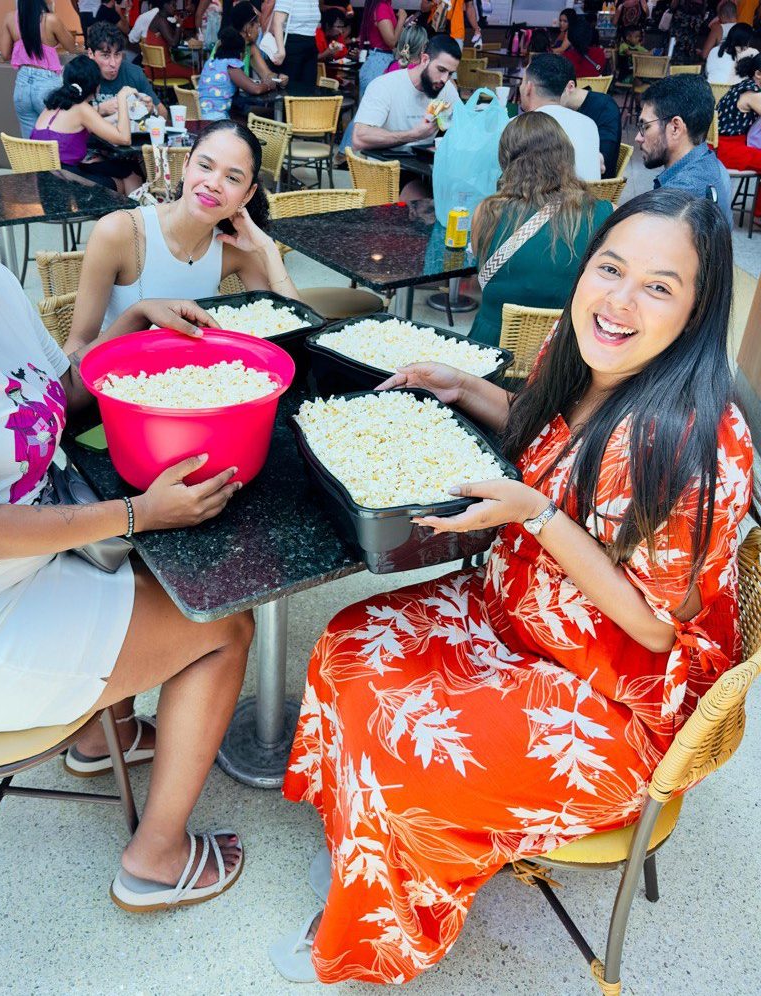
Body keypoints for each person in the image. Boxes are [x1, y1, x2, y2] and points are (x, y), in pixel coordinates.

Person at [270, 187, 752, 985]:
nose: (620, 301)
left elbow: (657, 629)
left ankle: (373, 922)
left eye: (660, 287)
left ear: (699, 311)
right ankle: (372, 857)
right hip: (518, 609)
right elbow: (540, 427)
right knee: (349, 643)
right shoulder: (584, 341)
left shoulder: (693, 440)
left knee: (405, 752)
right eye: (610, 268)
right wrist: (461, 387)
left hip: (615, 693)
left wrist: (535, 515)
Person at [0, 114, 254, 912]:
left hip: (8, 576)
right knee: (225, 624)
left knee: (150, 564)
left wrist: (126, 330)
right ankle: (156, 858)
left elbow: (46, 406)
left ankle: (101, 735)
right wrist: (138, 514)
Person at [71, 119, 300, 338]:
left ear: (248, 194)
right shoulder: (119, 231)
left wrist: (268, 248)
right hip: (122, 374)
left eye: (232, 178)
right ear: (186, 164)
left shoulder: (231, 246)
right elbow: (77, 348)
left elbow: (294, 324)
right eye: (205, 166)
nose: (213, 184)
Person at [468, 113, 612, 346]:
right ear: (566, 156)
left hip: (492, 347)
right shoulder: (605, 213)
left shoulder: (486, 212)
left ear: (506, 158)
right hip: (564, 350)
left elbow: (480, 263)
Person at [350, 32, 463, 198]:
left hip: (425, 170)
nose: (445, 79)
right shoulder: (385, 86)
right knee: (426, 205)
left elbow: (463, 129)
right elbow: (359, 137)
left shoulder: (446, 91)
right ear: (425, 60)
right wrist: (414, 135)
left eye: (450, 74)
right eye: (441, 70)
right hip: (385, 171)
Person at [29, 54, 141, 192]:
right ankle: (132, 212)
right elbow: (124, 138)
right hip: (66, 180)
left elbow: (91, 125)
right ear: (95, 85)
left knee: (123, 168)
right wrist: (122, 98)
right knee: (124, 176)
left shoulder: (53, 104)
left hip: (45, 180)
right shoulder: (81, 108)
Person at [637, 75, 733, 224]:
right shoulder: (716, 166)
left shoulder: (678, 199)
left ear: (675, 128)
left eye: (645, 126)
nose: (638, 137)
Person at [0, 0, 79, 138]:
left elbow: (5, 54)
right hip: (46, 83)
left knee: (30, 142)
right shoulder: (51, 20)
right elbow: (71, 47)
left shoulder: (10, 18)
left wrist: (22, 47)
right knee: (56, 137)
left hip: (22, 85)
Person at [520, 54, 601, 180]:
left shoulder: (517, 128)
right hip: (588, 198)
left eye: (522, 82)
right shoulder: (589, 124)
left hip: (541, 198)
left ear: (528, 88)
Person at [86, 20, 167, 121]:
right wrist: (100, 109)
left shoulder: (134, 73)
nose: (113, 63)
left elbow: (163, 113)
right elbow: (66, 118)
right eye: (105, 55)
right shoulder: (82, 74)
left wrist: (152, 110)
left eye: (117, 54)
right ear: (90, 54)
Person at [558, 63, 622, 177]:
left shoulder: (604, 107)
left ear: (570, 87)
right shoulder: (557, 110)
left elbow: (603, 157)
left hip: (594, 187)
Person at [199, 27, 278, 119]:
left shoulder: (211, 62)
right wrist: (269, 85)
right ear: (241, 53)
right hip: (217, 118)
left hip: (202, 113)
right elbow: (256, 89)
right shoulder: (231, 66)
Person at [716, 52, 761, 173]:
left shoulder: (743, 86)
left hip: (719, 145)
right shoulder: (753, 94)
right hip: (729, 149)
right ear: (758, 74)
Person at [358, 0, 407, 95]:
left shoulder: (385, 5)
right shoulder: (381, 7)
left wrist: (403, 24)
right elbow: (391, 41)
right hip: (379, 63)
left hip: (379, 60)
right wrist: (402, 19)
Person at [271, 0, 322, 92]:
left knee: (309, 91)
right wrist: (281, 51)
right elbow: (277, 22)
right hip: (293, 45)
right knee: (290, 91)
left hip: (311, 46)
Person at [145, 0, 195, 79]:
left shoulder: (159, 19)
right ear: (165, 5)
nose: (175, 8)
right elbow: (174, 43)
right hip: (161, 69)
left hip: (154, 68)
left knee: (187, 65)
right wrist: (179, 25)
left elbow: (176, 38)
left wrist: (178, 26)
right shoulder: (160, 21)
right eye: (173, 5)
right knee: (195, 72)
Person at [669, 0, 710, 66]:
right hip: (695, 18)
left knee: (676, 46)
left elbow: (673, 5)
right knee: (690, 45)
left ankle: (674, 67)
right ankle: (686, 67)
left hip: (682, 17)